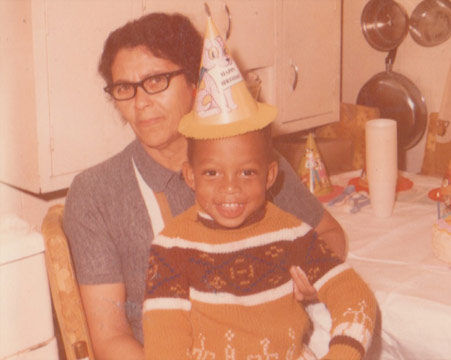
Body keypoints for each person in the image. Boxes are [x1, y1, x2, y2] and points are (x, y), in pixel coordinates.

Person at [63, 12, 346, 359]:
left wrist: (306, 278)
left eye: (156, 81)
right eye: (125, 88)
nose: (140, 102)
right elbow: (110, 339)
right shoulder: (96, 193)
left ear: (194, 84)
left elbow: (331, 234)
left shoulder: (250, 161)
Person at [143, 126, 377, 360]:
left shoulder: (290, 234)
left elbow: (354, 293)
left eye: (247, 173)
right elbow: (164, 342)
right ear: (191, 175)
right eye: (212, 173)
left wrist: (343, 353)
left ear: (270, 175)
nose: (230, 188)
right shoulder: (172, 248)